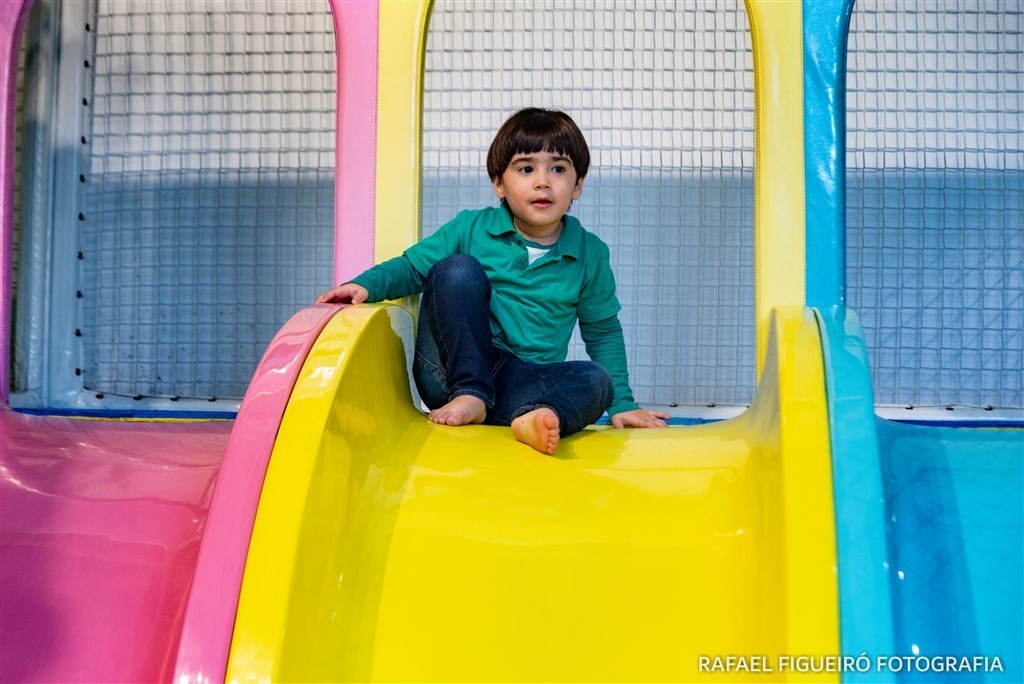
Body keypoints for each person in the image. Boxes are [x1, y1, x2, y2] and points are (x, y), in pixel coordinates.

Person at [317, 108, 669, 454]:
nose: (543, 181)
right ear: (499, 184)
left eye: (558, 169)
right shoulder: (471, 227)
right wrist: (365, 285)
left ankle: (541, 417)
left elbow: (602, 330)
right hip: (451, 370)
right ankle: (471, 393)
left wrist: (622, 403)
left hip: (519, 383)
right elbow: (413, 268)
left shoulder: (590, 253)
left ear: (577, 186)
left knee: (596, 379)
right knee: (457, 269)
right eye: (526, 168)